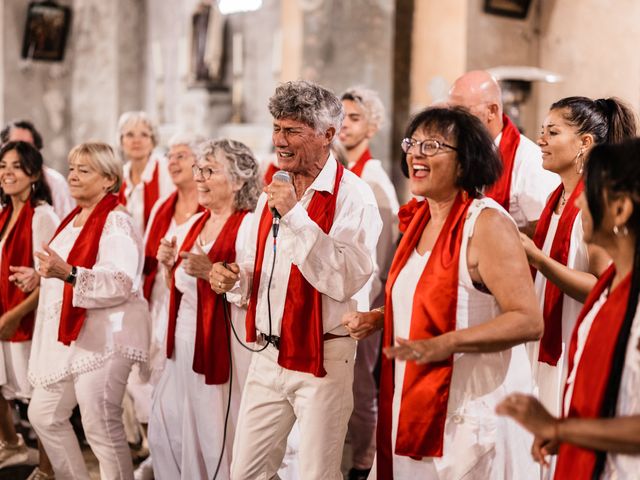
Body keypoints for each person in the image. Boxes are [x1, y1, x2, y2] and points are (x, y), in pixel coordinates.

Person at [344, 106, 543, 479]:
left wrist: (446, 343)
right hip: (412, 401)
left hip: (468, 413)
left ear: (465, 162)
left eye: (432, 145)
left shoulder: (486, 223)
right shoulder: (421, 219)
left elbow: (528, 320)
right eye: (412, 143)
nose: (416, 153)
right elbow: (430, 299)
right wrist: (381, 317)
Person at [210, 80, 382, 480]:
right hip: (267, 355)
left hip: (323, 356)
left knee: (316, 474)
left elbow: (344, 279)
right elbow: (254, 271)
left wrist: (294, 216)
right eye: (276, 128)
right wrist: (233, 279)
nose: (280, 141)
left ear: (327, 135)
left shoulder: (354, 196)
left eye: (292, 130)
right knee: (246, 473)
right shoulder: (274, 190)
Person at [497, 138, 640, 480]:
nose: (578, 202)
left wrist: (563, 429)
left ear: (619, 210)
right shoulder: (611, 290)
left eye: (587, 192)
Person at [27, 142, 150, 480]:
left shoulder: (115, 221)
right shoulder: (72, 219)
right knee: (43, 414)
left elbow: (121, 281)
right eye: (71, 168)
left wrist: (68, 273)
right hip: (73, 338)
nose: (73, 176)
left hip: (106, 335)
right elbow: (59, 266)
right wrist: (36, 275)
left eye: (85, 170)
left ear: (109, 180)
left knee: (99, 422)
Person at [148, 138, 260, 479]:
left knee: (216, 435)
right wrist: (169, 265)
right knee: (166, 433)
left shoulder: (250, 226)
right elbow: (178, 289)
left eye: (210, 170)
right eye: (199, 169)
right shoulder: (190, 226)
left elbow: (254, 286)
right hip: (181, 347)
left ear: (239, 180)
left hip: (224, 345)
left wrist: (210, 269)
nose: (199, 177)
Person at [518, 97, 636, 422]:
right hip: (544, 338)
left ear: (584, 143)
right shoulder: (555, 198)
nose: (540, 140)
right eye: (542, 131)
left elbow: (604, 287)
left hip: (573, 338)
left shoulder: (594, 205)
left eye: (552, 133)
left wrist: (539, 260)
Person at [133, 132, 205, 480]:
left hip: (193, 301)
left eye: (182, 155)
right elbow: (147, 254)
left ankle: (185, 451)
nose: (173, 162)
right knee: (152, 375)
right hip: (161, 297)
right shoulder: (164, 205)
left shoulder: (209, 205)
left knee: (183, 377)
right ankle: (157, 447)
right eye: (170, 156)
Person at [339, 85, 399, 479]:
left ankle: (363, 463)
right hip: (345, 294)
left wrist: (366, 308)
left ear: (373, 127)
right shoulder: (343, 171)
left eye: (354, 118)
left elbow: (382, 256)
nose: (344, 125)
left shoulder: (374, 180)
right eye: (341, 117)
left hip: (366, 297)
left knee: (361, 386)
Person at [0, 142, 59, 479]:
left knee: (38, 402)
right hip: (5, 311)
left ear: (34, 174)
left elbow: (50, 279)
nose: (7, 172)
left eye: (17, 166)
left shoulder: (42, 216)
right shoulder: (5, 213)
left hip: (29, 319)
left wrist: (15, 315)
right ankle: (11, 444)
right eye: (3, 165)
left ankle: (47, 469)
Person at [448, 70, 559, 236]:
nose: (452, 122)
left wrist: (480, 233)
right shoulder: (458, 151)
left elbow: (545, 231)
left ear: (492, 111)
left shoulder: (529, 160)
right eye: (450, 112)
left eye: (461, 112)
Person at [1, 119, 75, 219]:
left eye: (26, 147)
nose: (18, 151)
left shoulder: (55, 182)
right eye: (13, 144)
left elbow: (65, 220)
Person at [117, 111, 174, 234]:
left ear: (153, 141)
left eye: (144, 135)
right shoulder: (120, 176)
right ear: (122, 142)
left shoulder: (166, 170)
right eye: (130, 135)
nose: (136, 140)